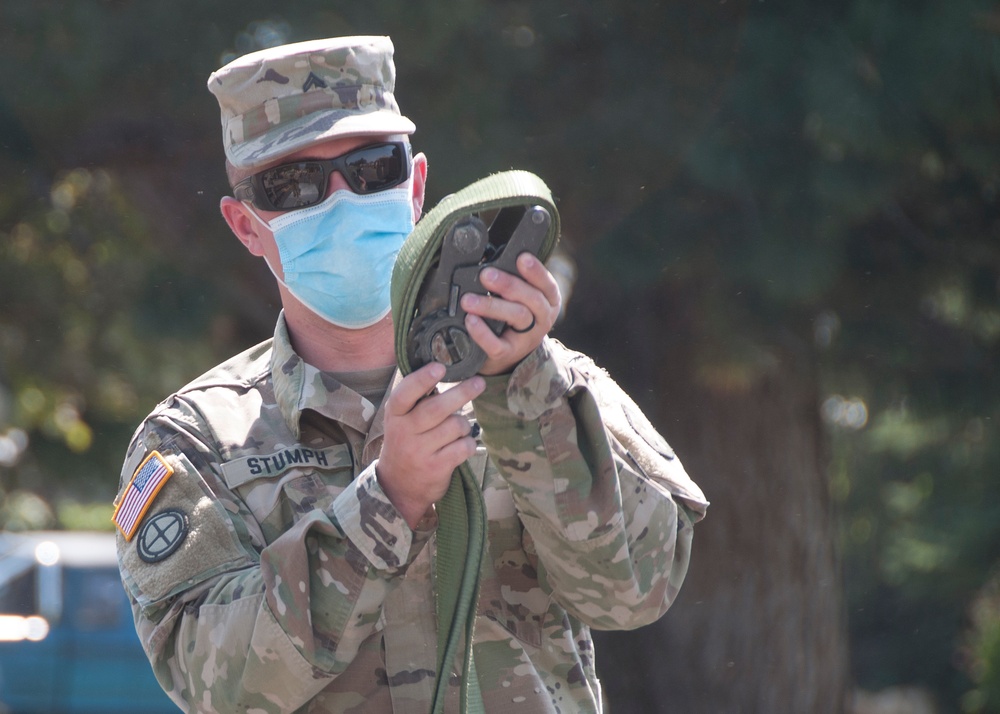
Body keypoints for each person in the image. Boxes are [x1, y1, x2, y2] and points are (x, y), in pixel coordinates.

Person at [114, 35, 708, 714]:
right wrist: (385, 502)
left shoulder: (546, 381)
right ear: (246, 226)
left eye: (372, 169)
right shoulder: (193, 442)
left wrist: (524, 392)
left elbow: (637, 590)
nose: (341, 199)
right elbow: (216, 682)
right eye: (293, 184)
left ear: (416, 185)